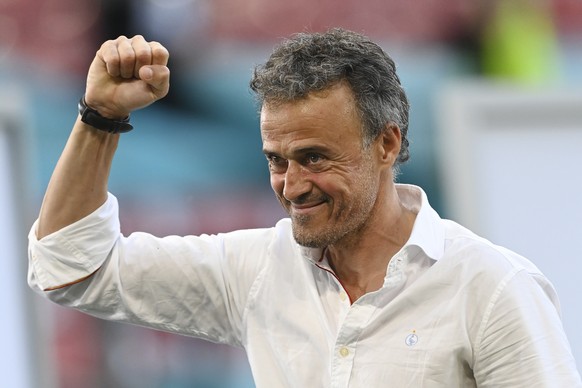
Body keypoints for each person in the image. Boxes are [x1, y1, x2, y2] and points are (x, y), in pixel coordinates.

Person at [28, 29, 581, 387]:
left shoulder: (492, 286)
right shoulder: (256, 268)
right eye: (276, 160)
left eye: (314, 158)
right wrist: (99, 117)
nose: (292, 186)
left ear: (387, 144)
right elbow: (71, 267)